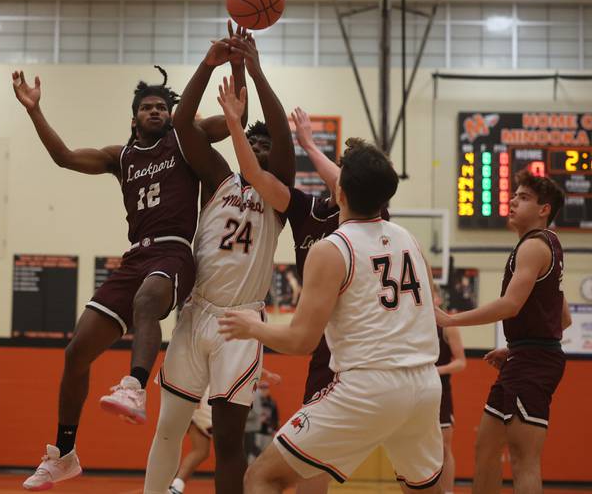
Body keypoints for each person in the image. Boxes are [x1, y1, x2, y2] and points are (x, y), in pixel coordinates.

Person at [13, 57, 247, 490]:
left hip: (174, 252)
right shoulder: (119, 157)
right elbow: (63, 157)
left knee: (146, 303)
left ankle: (135, 385)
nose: (156, 111)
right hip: (134, 258)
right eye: (148, 107)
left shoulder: (183, 141)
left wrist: (236, 67)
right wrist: (34, 109)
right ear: (135, 117)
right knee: (76, 352)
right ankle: (64, 453)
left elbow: (236, 118)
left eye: (162, 106)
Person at [219, 137, 444, 493]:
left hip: (369, 388)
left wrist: (251, 327)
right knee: (424, 490)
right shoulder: (409, 239)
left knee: (262, 476)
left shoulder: (333, 247)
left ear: (339, 191)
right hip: (426, 385)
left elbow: (300, 340)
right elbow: (431, 310)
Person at [143, 32, 294, 494]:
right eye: (256, 142)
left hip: (241, 321)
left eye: (269, 145)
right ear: (242, 146)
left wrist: (254, 69)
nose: (264, 147)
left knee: (228, 439)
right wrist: (211, 64)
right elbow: (183, 123)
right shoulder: (219, 179)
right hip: (197, 311)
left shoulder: (280, 194)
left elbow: (281, 132)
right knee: (169, 426)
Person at [436, 169, 571, 494]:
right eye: (515, 195)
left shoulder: (536, 246)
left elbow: (510, 305)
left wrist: (451, 320)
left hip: (535, 364)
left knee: (524, 460)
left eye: (524, 197)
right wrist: (514, 349)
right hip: (525, 358)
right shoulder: (541, 247)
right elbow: (562, 318)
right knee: (485, 449)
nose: (512, 201)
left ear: (544, 210)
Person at [432, 285, 466, 494]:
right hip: (414, 391)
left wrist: (436, 371)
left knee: (444, 447)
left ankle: (447, 492)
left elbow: (461, 362)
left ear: (438, 299)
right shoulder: (412, 323)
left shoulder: (447, 326)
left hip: (440, 392)